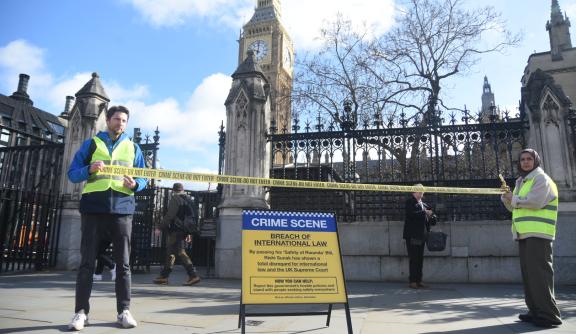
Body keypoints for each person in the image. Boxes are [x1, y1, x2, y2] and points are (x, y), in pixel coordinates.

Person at [67, 105, 147, 331]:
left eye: (124, 121)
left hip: (122, 209)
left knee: (123, 265)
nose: (120, 123)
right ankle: (81, 313)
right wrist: (89, 169)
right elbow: (72, 174)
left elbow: (144, 177)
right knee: (86, 264)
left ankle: (124, 311)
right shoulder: (92, 143)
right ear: (108, 120)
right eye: (117, 119)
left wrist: (136, 184)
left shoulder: (133, 147)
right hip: (93, 208)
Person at [501, 149, 562, 328]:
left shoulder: (541, 178)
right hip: (524, 233)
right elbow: (516, 207)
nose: (525, 162)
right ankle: (535, 310)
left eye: (529, 159)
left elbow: (535, 202)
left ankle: (549, 315)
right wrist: (507, 198)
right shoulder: (523, 181)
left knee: (539, 275)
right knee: (530, 275)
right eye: (522, 159)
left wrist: (514, 198)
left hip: (539, 234)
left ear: (536, 161)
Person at [153, 182, 201, 286]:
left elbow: (170, 215)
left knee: (180, 252)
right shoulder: (189, 200)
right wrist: (188, 233)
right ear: (182, 190)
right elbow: (191, 217)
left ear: (173, 190)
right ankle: (164, 277)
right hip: (184, 230)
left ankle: (193, 275)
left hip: (176, 230)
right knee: (170, 252)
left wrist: (159, 227)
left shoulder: (175, 199)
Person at [403, 185, 436, 289]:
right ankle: (412, 281)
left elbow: (433, 220)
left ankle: (419, 280)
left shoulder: (425, 205)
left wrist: (432, 216)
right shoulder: (410, 202)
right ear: (414, 192)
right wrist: (424, 212)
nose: (421, 193)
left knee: (420, 258)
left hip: (422, 235)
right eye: (419, 191)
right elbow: (411, 214)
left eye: (422, 191)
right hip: (413, 235)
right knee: (414, 258)